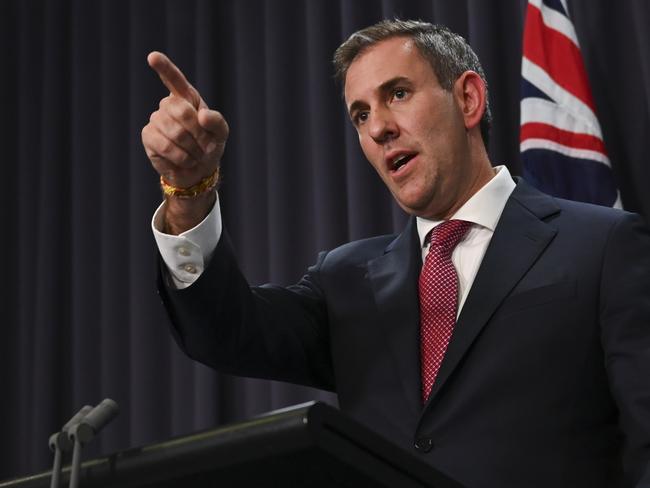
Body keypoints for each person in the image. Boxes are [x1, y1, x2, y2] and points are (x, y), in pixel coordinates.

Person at [141, 19, 650, 487]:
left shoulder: (602, 246)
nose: (378, 127)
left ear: (469, 99)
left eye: (398, 94)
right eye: (360, 115)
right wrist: (189, 192)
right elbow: (226, 333)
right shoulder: (346, 280)